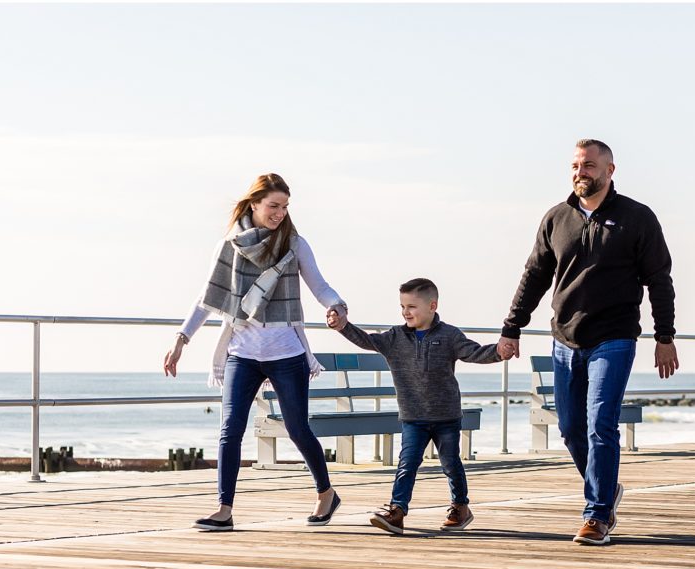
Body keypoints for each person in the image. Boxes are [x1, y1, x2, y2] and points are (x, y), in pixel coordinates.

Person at [497, 139, 678, 546]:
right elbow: (534, 276)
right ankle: (606, 488)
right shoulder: (556, 218)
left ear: (610, 170)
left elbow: (659, 281)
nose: (582, 172)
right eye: (577, 165)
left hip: (613, 338)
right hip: (564, 339)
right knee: (570, 427)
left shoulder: (637, 218)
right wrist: (512, 327)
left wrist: (664, 336)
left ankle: (596, 514)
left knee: (601, 423)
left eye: (591, 165)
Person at [164, 173, 346, 531]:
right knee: (230, 429)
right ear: (254, 205)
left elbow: (319, 285)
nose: (279, 213)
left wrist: (336, 305)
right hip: (241, 352)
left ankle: (326, 493)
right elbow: (206, 298)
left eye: (284, 207)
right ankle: (224, 510)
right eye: (273, 206)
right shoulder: (229, 246)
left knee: (296, 428)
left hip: (285, 351)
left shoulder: (294, 244)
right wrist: (181, 339)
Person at [327, 278, 502, 535]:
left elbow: (473, 352)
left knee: (450, 463)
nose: (405, 312)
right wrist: (343, 326)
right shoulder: (395, 337)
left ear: (432, 306)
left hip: (446, 416)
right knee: (407, 463)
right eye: (402, 306)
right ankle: (397, 511)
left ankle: (460, 507)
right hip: (413, 417)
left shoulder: (449, 335)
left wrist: (500, 351)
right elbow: (367, 340)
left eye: (411, 306)